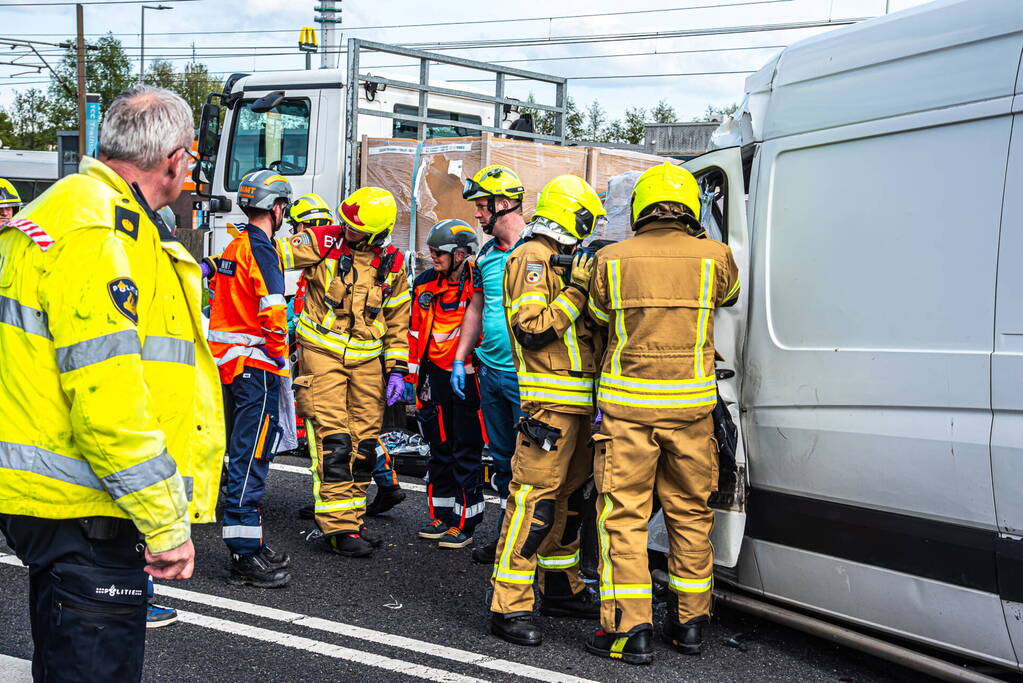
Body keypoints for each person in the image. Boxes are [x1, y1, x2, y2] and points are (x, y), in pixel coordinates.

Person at [0, 85, 224, 681]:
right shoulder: (102, 235)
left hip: (53, 499)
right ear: (176, 159)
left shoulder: (65, 210)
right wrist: (165, 524)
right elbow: (108, 401)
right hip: (91, 507)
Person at [584, 163, 740, 664]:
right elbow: (730, 297)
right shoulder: (716, 258)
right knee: (690, 514)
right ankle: (691, 623)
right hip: (691, 412)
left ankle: (631, 631)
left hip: (627, 411)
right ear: (691, 209)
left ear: (639, 209)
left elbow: (602, 317)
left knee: (624, 517)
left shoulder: (610, 259)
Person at [488, 175, 606, 647]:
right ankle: (508, 605)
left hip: (580, 404)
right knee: (533, 502)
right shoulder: (531, 257)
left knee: (569, 501)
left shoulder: (562, 261)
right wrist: (578, 291)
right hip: (550, 407)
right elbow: (533, 328)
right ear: (572, 214)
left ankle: (560, 586)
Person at [276, 186, 411, 558]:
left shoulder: (393, 265)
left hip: (368, 361)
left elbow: (399, 322)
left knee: (364, 445)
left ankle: (352, 518)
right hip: (321, 353)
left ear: (376, 234)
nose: (345, 230)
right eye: (345, 222)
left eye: (354, 228)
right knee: (333, 441)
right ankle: (338, 528)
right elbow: (266, 254)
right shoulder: (323, 241)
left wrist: (397, 369)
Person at [206, 169, 293, 588]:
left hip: (233, 365)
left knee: (243, 454)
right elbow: (274, 313)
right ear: (277, 209)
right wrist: (280, 358)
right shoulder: (261, 248)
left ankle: (251, 542)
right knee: (251, 457)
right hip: (256, 367)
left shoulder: (236, 244)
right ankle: (243, 554)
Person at [453, 165, 528, 564]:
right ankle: (506, 537)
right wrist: (461, 358)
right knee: (501, 462)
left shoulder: (537, 250)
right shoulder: (484, 255)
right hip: (490, 372)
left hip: (527, 377)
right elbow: (476, 307)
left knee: (530, 464)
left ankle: (525, 547)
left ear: (503, 204)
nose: (478, 216)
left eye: (482, 207)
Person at [407, 219, 486, 549]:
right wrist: (411, 377)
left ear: (460, 254)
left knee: (464, 448)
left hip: (466, 375)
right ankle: (441, 516)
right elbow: (414, 332)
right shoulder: (425, 283)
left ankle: (466, 521)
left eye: (439, 252)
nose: (433, 257)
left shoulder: (477, 281)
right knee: (438, 448)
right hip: (433, 377)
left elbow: (482, 320)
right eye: (431, 251)